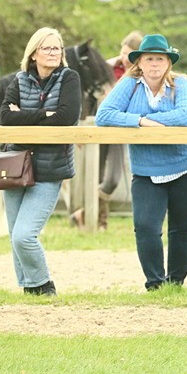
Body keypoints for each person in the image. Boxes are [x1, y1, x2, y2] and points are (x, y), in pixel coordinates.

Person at [95, 34, 187, 290]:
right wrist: (140, 121)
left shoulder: (181, 85)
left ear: (168, 63)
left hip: (186, 164)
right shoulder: (128, 84)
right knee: (145, 227)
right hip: (146, 169)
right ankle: (155, 284)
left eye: (160, 59)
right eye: (149, 59)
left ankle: (175, 284)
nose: (155, 64)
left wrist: (147, 117)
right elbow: (104, 115)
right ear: (139, 62)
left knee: (182, 228)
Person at [0, 27, 81, 296]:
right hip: (15, 164)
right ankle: (29, 289)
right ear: (33, 54)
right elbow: (5, 118)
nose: (53, 52)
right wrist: (45, 113)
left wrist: (24, 113)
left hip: (49, 167)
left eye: (57, 48)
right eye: (47, 48)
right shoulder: (19, 80)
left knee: (24, 235)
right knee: (14, 237)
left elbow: (66, 118)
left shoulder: (69, 78)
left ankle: (44, 285)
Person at [71, 30, 143, 230]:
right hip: (100, 124)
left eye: (128, 53)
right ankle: (100, 223)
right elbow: (87, 94)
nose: (123, 57)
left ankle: (84, 213)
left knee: (111, 180)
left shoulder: (142, 72)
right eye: (122, 52)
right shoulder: (108, 67)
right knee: (98, 175)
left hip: (122, 128)